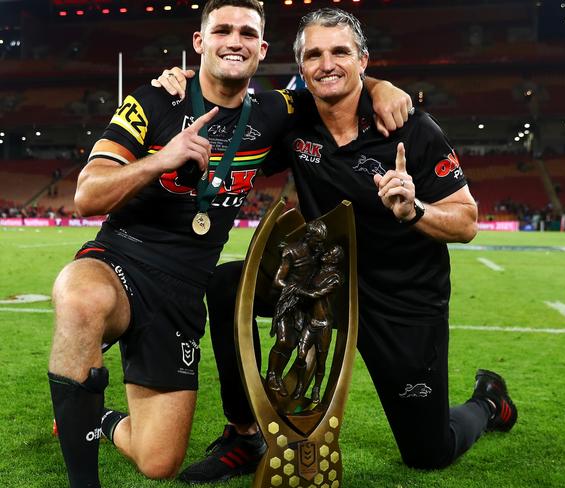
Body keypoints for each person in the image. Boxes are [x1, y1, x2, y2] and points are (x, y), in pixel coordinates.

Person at [47, 1, 410, 487]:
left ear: (261, 51)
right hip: (120, 262)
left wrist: (381, 85)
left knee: (159, 462)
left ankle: (97, 419)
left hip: (179, 295)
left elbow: (333, 83)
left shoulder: (274, 112)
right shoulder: (153, 101)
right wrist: (161, 159)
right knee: (79, 295)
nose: (233, 40)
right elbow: (86, 194)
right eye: (221, 30)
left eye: (246, 33)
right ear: (200, 43)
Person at [177, 7, 518, 484]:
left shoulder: (412, 128)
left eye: (340, 51)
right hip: (326, 283)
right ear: (301, 68)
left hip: (402, 296)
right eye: (314, 54)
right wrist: (180, 83)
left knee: (429, 452)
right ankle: (244, 434)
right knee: (228, 283)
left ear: (363, 60)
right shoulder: (294, 121)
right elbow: (231, 115)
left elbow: (466, 222)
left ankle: (488, 400)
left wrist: (413, 210)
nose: (326, 63)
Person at [266, 220, 327, 396]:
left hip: (304, 305)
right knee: (284, 340)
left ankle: (277, 377)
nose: (320, 245)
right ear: (309, 237)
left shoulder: (317, 252)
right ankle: (272, 375)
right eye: (318, 241)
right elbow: (278, 281)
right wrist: (299, 290)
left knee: (292, 343)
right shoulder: (291, 252)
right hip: (288, 301)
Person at [291, 243, 344, 403]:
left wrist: (298, 290)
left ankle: (316, 388)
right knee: (301, 355)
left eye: (330, 254)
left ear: (334, 260)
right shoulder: (316, 270)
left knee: (321, 361)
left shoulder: (336, 277)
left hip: (324, 324)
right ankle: (300, 386)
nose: (326, 254)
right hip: (311, 322)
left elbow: (317, 293)